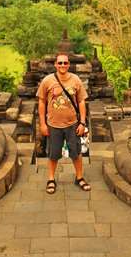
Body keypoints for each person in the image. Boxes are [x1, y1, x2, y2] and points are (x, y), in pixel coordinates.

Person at [37, 52, 91, 194]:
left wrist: (82, 123)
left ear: (69, 64)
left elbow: (81, 101)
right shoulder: (47, 81)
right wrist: (42, 124)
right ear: (55, 64)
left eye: (65, 63)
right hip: (53, 125)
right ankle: (51, 179)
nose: (62, 65)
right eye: (59, 63)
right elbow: (41, 102)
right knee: (53, 154)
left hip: (72, 124)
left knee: (76, 152)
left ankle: (79, 177)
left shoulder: (76, 80)